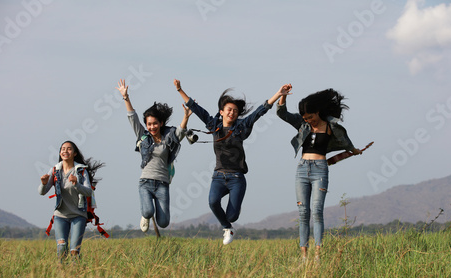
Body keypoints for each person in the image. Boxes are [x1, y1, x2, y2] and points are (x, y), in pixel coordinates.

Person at [174, 79, 292, 245]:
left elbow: (260, 111)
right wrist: (180, 89)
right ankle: (227, 228)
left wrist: (278, 94)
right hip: (218, 176)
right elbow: (196, 108)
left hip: (237, 178)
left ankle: (229, 221)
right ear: (221, 112)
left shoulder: (241, 126)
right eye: (229, 110)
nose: (232, 113)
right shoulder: (213, 125)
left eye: (235, 111)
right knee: (213, 202)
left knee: (232, 215)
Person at [276, 85, 362, 261]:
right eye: (305, 118)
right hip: (301, 169)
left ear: (318, 112)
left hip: (320, 169)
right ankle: (304, 257)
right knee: (303, 212)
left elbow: (346, 143)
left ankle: (317, 256)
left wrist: (355, 150)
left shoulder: (331, 126)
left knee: (317, 211)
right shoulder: (302, 124)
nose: (309, 120)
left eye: (311, 116)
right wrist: (282, 96)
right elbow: (282, 113)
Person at [116, 79, 192, 232]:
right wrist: (126, 97)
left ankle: (149, 214)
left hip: (162, 184)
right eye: (149, 124)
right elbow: (133, 118)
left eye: (155, 123)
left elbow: (180, 132)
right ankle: (145, 215)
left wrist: (186, 117)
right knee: (148, 211)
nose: (152, 127)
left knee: (163, 222)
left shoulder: (168, 138)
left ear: (161, 123)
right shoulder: (143, 137)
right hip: (145, 182)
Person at [38, 141, 104, 262]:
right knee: (61, 247)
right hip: (60, 215)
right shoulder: (54, 170)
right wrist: (43, 183)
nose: (65, 151)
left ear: (74, 153)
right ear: (60, 152)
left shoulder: (81, 171)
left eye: (69, 149)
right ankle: (61, 274)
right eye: (63, 149)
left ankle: (75, 275)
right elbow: (42, 192)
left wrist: (76, 184)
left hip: (78, 215)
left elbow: (88, 191)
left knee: (74, 252)